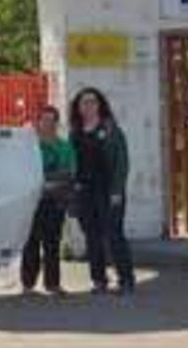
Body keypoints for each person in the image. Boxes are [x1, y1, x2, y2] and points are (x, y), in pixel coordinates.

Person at [69, 87, 135, 296]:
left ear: (100, 105)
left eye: (92, 101)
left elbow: (122, 162)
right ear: (78, 108)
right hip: (85, 192)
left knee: (114, 234)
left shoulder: (111, 129)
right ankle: (99, 281)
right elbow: (73, 163)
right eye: (84, 102)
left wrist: (117, 190)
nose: (88, 106)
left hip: (108, 191)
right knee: (92, 237)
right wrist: (74, 187)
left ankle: (126, 280)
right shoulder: (75, 132)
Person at [21, 106, 76, 296]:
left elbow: (69, 172)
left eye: (52, 121)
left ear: (57, 124)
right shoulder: (28, 146)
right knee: (31, 243)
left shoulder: (64, 146)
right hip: (32, 203)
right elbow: (22, 172)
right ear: (39, 122)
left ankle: (52, 284)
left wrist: (48, 183)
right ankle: (28, 285)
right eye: (44, 120)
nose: (48, 124)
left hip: (55, 202)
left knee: (52, 244)